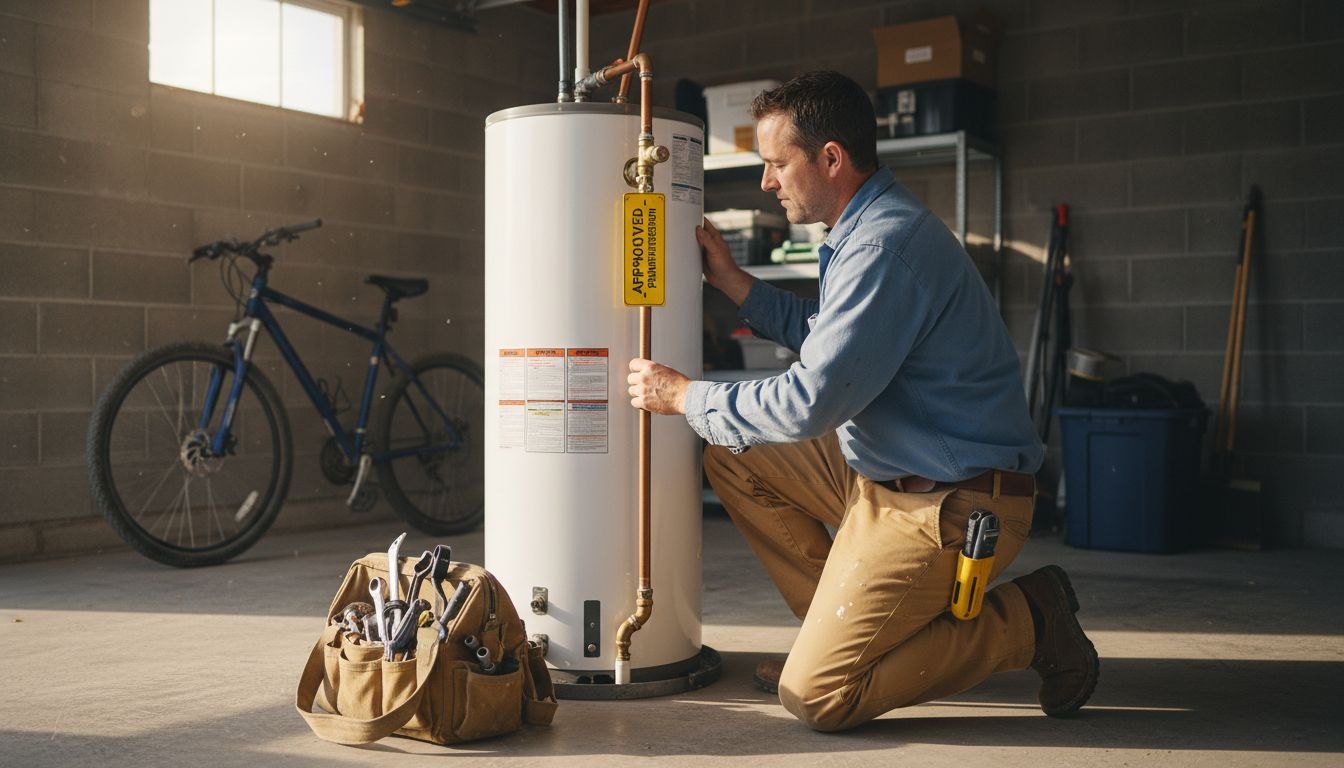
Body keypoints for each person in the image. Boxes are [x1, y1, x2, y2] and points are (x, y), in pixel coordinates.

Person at [627, 71, 1099, 731]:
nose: (767, 182)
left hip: (955, 502)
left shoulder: (881, 246)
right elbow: (830, 344)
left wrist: (686, 395)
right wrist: (736, 284)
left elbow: (812, 398)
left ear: (830, 159)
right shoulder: (863, 229)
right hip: (887, 471)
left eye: (776, 164)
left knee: (817, 696)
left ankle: (1028, 619)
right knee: (736, 456)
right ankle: (842, 627)